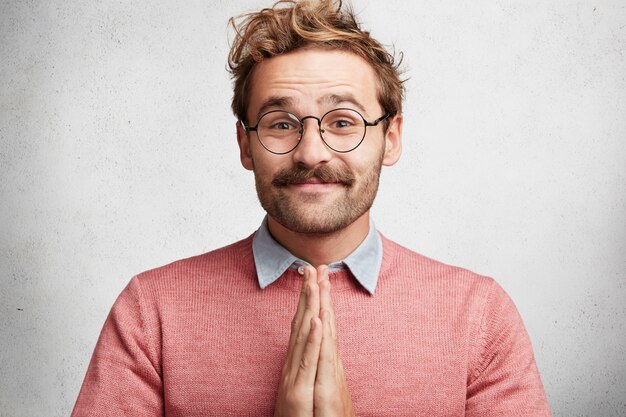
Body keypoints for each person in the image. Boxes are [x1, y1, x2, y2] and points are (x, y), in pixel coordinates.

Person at [71, 0, 551, 416]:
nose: (311, 153)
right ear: (245, 144)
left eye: (343, 121)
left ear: (392, 138)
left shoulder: (479, 315)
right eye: (281, 124)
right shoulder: (150, 311)